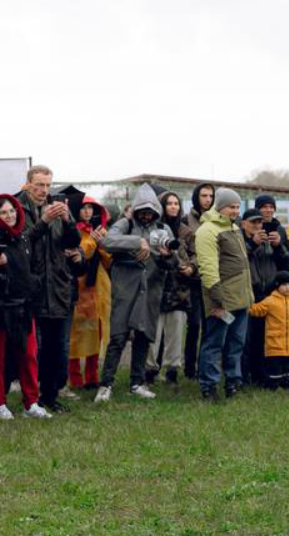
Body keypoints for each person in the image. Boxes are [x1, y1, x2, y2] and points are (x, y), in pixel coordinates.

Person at [97, 183, 178, 401]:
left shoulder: (163, 229)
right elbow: (108, 240)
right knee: (118, 336)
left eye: (150, 211)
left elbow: (173, 262)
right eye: (142, 211)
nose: (146, 215)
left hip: (151, 289)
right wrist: (137, 242)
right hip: (126, 288)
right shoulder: (125, 223)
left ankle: (137, 382)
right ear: (136, 209)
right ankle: (106, 385)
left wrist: (166, 255)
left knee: (144, 336)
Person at [18, 165, 82, 413]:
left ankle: (50, 396)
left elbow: (73, 241)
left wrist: (67, 220)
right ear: (28, 185)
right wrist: (44, 221)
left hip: (58, 286)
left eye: (47, 185)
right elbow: (22, 241)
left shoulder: (58, 205)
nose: (44, 190)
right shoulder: (18, 208)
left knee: (57, 349)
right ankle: (29, 399)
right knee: (33, 350)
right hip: (30, 288)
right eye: (39, 185)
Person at [194, 188, 252, 400]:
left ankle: (233, 382)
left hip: (240, 298)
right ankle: (209, 386)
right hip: (222, 300)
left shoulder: (234, 227)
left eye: (237, 207)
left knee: (236, 343)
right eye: (231, 207)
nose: (235, 211)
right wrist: (217, 299)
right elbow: (208, 268)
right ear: (220, 207)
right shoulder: (207, 231)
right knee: (214, 343)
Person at [0, 193, 50, 419]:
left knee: (29, 355)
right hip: (2, 308)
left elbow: (36, 231)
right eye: (3, 212)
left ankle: (31, 403)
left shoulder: (22, 237)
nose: (9, 215)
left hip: (23, 308)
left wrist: (47, 219)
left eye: (12, 211)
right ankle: (0, 404)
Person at [243, 202, 289, 387]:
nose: (257, 226)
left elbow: (287, 265)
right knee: (249, 339)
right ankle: (247, 376)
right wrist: (252, 244)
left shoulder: (271, 240)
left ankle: (264, 376)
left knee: (267, 338)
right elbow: (240, 262)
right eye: (253, 223)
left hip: (271, 294)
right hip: (251, 293)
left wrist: (279, 246)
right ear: (244, 224)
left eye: (259, 223)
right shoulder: (242, 240)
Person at [68, 199, 112, 395]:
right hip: (81, 287)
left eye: (91, 208)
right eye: (84, 207)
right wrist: (92, 241)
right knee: (76, 334)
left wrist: (103, 244)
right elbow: (80, 254)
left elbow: (109, 260)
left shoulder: (99, 230)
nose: (87, 211)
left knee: (98, 331)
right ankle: (75, 377)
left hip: (100, 288)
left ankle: (93, 376)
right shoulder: (73, 231)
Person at [147, 189, 191, 385]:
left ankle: (172, 370)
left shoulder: (185, 230)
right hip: (157, 284)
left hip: (179, 287)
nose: (173, 206)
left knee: (175, 331)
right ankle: (149, 370)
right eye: (169, 203)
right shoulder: (152, 228)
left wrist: (191, 266)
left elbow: (195, 253)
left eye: (176, 203)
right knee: (153, 333)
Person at [249, 271, 289, 390]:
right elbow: (256, 310)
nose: (287, 288)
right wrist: (248, 305)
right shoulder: (270, 301)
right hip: (274, 344)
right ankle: (273, 387)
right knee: (274, 369)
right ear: (277, 285)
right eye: (284, 285)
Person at [180, 183, 215, 380]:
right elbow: (184, 248)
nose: (207, 199)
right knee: (193, 325)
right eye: (204, 195)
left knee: (209, 326)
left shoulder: (218, 220)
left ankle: (204, 366)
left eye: (211, 196)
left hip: (211, 281)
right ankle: (189, 368)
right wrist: (192, 265)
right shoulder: (187, 220)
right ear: (196, 197)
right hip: (193, 280)